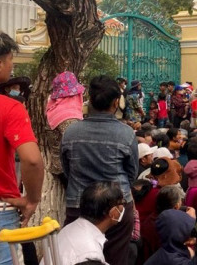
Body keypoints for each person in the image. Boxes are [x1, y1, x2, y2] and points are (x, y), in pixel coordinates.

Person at [0, 29, 45, 263]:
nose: (12, 65)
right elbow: (32, 159)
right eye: (11, 60)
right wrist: (31, 199)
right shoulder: (9, 107)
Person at [62, 75, 138, 265]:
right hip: (117, 207)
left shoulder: (71, 132)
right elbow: (131, 174)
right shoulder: (126, 133)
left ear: (90, 101)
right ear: (115, 103)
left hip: (78, 204)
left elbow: (67, 170)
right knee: (116, 257)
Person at [57, 182, 124, 265]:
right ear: (113, 213)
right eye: (122, 203)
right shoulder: (91, 253)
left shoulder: (70, 228)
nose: (123, 208)